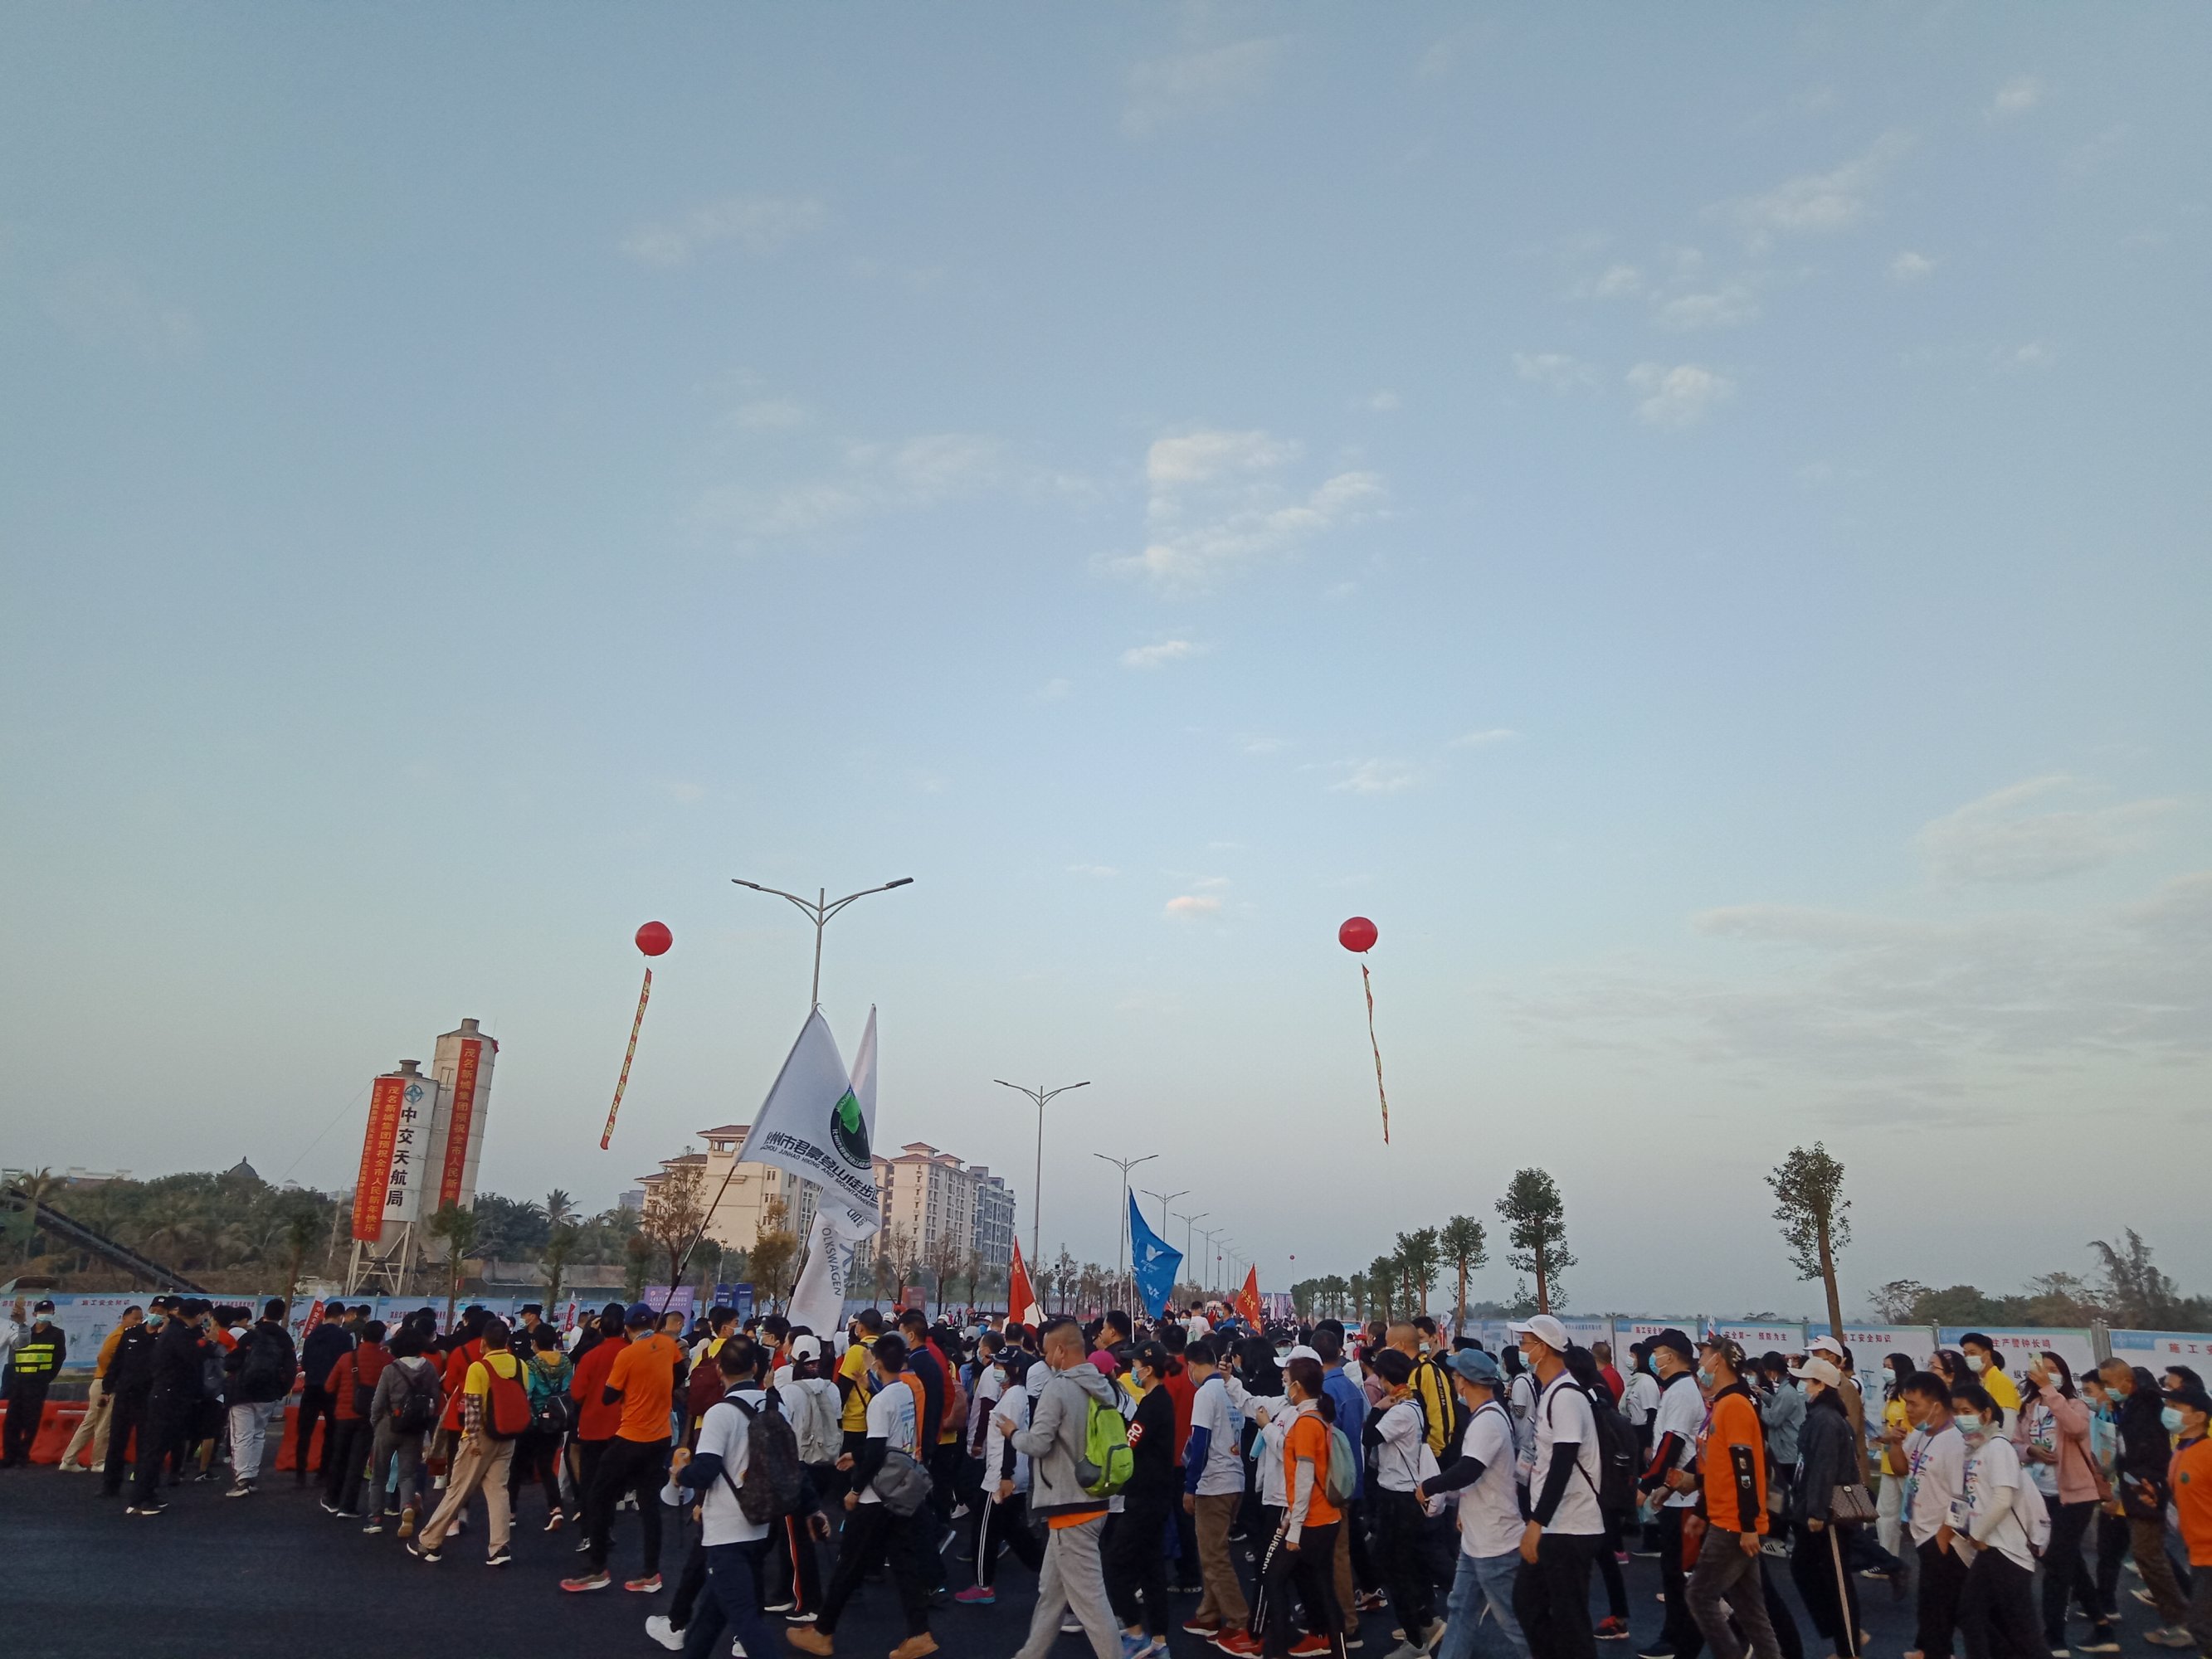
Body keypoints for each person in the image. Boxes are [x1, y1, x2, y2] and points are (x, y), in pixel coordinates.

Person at [788, 1331, 937, 1659]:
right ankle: (919, 1633)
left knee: (849, 1563)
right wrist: (857, 1455)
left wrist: (855, 1489)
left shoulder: (881, 1402)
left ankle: (823, 1632)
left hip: (875, 1495)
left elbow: (877, 1450)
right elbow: (889, 1442)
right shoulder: (904, 1391)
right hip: (898, 1490)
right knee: (903, 1563)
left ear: (879, 1363)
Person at [1001, 1316, 1126, 1659]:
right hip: (1094, 1498)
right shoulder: (1102, 1385)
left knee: (1091, 1603)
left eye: (1046, 1352)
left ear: (1059, 1350)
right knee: (1052, 1594)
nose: (1044, 1358)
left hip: (1068, 1505)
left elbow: (1038, 1443)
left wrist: (1012, 1433)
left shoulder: (1058, 1388)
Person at [657, 1339, 783, 1659]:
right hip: (763, 1520)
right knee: (712, 1615)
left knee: (745, 1619)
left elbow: (706, 1470)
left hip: (726, 1528)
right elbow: (790, 1464)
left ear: (718, 1370)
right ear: (755, 1367)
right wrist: (812, 1510)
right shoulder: (775, 1405)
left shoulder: (720, 1413)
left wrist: (679, 1474)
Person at [1420, 1346, 1532, 1659]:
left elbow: (1469, 1468)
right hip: (1479, 1538)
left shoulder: (1486, 1422)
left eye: (1455, 1375)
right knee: (1461, 1609)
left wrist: (1430, 1486)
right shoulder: (1490, 1415)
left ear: (1463, 1381)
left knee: (1513, 1621)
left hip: (1495, 1541)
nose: (1453, 1380)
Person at [564, 1301, 681, 1593]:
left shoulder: (627, 1355)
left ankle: (597, 1569)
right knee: (649, 1504)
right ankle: (651, 1573)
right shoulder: (668, 1346)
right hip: (660, 1435)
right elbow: (679, 1374)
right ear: (652, 1324)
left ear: (628, 1329)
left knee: (597, 1495)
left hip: (631, 1435)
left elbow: (609, 1396)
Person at [1682, 1335, 1782, 1659]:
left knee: (1699, 1596)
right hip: (1729, 1517)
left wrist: (1748, 1524)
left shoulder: (1735, 1405)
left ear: (1719, 1361)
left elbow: (1745, 1468)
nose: (1700, 1364)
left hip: (1733, 1522)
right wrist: (1702, 1510)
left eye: (1704, 1356)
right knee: (1750, 1607)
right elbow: (1719, 1468)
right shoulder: (1725, 1404)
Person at [1512, 1316, 1605, 1659]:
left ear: (1543, 1348)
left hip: (1570, 1527)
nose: (1521, 1349)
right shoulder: (1552, 1391)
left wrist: (1537, 1522)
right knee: (1529, 1605)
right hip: (1557, 1525)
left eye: (1525, 1343)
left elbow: (1563, 1462)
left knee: (1570, 1621)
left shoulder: (1565, 1396)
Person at [2010, 1350, 2113, 1656]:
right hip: (2041, 1495)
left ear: (2064, 1374)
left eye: (2054, 1369)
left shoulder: (2074, 1405)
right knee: (2068, 1561)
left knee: (2056, 1564)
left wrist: (2049, 1390)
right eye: (2042, 1369)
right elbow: (2015, 1443)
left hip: (2076, 1496)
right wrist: (2031, 1451)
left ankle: (2053, 1638)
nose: (2048, 1373)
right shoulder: (2028, 1407)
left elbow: (2077, 1429)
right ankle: (2102, 1626)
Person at [411, 1316, 526, 1565]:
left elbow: (473, 1408)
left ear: (484, 1342)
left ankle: (429, 1543)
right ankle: (500, 1547)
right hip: (507, 1436)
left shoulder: (479, 1368)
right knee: (498, 1491)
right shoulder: (520, 1365)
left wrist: (471, 1440)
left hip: (480, 1436)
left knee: (457, 1489)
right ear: (507, 1341)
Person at [2098, 1360, 2195, 1647]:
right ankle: (2182, 1620)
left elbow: (2146, 1457)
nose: (2106, 1389)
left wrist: (2136, 1490)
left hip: (2146, 1492)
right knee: (2150, 1556)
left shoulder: (2147, 1408)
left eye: (2108, 1383)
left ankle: (2182, 1623)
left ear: (2126, 1382)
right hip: (2137, 1490)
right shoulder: (2130, 1407)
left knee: (2149, 1556)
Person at [1258, 1355, 1346, 1659]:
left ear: (1297, 1386)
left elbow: (1305, 1477)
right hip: (1320, 1518)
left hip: (1311, 1521)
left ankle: (1280, 1648)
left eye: (1287, 1380)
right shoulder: (1317, 1417)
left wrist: (1293, 1526)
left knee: (1275, 1578)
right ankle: (1334, 1648)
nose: (1285, 1385)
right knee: (1321, 1585)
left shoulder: (1307, 1423)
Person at [1367, 1347, 1451, 1655]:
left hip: (1397, 1497)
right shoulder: (1413, 1404)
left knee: (1395, 1568)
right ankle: (1425, 1620)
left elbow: (1368, 1438)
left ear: (1386, 1379)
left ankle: (1415, 1640)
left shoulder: (1399, 1411)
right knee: (1409, 1563)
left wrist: (1377, 1409)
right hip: (1404, 1495)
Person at [1950, 1380, 2040, 1659]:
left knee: (2023, 1633)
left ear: (1986, 1413)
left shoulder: (1999, 1448)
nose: (1960, 1418)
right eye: (1956, 1412)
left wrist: (1977, 1534)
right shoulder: (1980, 1448)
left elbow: (2003, 1499)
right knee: (1970, 1614)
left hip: (2007, 1551)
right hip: (1992, 1549)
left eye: (1967, 1411)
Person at [1184, 1334, 1257, 1652]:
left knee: (1214, 1558)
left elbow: (1199, 1442)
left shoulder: (1205, 1394)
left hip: (1214, 1483)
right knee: (1213, 1551)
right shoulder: (1229, 1388)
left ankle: (1239, 1620)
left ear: (1191, 1365)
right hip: (1235, 1478)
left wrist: (1190, 1486)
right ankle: (1209, 1613)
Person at [1107, 1340, 1181, 1657]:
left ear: (1148, 1370)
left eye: (1135, 1365)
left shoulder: (1152, 1405)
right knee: (1152, 1569)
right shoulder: (1159, 1401)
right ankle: (1159, 1641)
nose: (1132, 1369)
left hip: (1144, 1499)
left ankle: (1135, 1630)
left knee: (1114, 1564)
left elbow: (1129, 1443)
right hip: (1157, 1497)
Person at [1786, 1358, 1863, 1658]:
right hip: (1816, 1506)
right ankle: (1842, 1632)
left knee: (1838, 1581)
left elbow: (1824, 1468)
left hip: (1830, 1511)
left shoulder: (1827, 1421)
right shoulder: (1821, 1417)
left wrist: (1817, 1511)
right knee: (1803, 1566)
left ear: (1820, 1385)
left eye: (1807, 1381)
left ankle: (1849, 1649)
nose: (1803, 1386)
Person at [1635, 1328, 1704, 1659]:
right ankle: (1675, 1634)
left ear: (1671, 1356)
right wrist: (1664, 1486)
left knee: (1682, 1574)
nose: (1653, 1358)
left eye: (1656, 1352)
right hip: (1677, 1494)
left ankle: (1683, 1640)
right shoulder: (1676, 1389)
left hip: (1688, 1500)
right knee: (1674, 1572)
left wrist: (1647, 1484)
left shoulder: (1682, 1392)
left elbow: (1672, 1444)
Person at [961, 1345, 1045, 1603]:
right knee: (1013, 1530)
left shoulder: (1012, 1398)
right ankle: (1048, 1571)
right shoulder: (1016, 1395)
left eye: (1000, 1366)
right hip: (1012, 1473)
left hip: (1000, 1477)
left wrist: (1005, 1476)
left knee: (984, 1531)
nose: (996, 1369)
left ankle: (983, 1585)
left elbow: (1010, 1437)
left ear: (1014, 1369)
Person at [1900, 1370, 1969, 1659]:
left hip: (1942, 1536)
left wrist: (1943, 1537)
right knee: (1931, 1600)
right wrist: (1894, 1441)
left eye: (1913, 1404)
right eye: (1906, 1403)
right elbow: (1901, 1465)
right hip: (1923, 1530)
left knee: (1945, 1603)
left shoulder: (1954, 1442)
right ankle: (1929, 1649)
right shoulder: (1922, 1433)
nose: (1908, 1410)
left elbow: (1961, 1497)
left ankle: (1939, 1651)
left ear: (1936, 1405)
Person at [129, 1297, 208, 1514]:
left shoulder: (178, 1331)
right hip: (167, 1396)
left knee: (159, 1447)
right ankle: (140, 1500)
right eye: (202, 1315)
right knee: (155, 1449)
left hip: (171, 1395)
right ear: (197, 1315)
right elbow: (194, 1356)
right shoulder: (176, 1334)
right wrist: (209, 1343)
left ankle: (148, 1494)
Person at [368, 1325, 441, 1536]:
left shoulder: (391, 1369)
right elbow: (436, 1399)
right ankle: (407, 1507)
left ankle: (375, 1519)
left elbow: (378, 1402)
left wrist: (376, 1423)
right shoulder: (429, 1368)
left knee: (379, 1475)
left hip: (388, 1425)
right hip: (415, 1428)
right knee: (408, 1475)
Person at [221, 1297, 296, 1496]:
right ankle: (251, 1476)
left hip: (243, 1391)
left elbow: (231, 1362)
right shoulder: (285, 1338)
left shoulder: (251, 1335)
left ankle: (242, 1479)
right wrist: (281, 1390)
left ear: (264, 1313)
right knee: (258, 1433)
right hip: (268, 1393)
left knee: (241, 1435)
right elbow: (290, 1368)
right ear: (282, 1315)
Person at [322, 1316, 390, 1518]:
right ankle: (348, 1506)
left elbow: (329, 1386)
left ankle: (331, 1498)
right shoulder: (388, 1361)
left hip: (344, 1414)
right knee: (358, 1461)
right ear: (382, 1338)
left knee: (339, 1457)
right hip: (370, 1416)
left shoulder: (347, 1358)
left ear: (362, 1337)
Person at [2164, 1383, 2212, 1659]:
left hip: (2209, 1551)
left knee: (2200, 1624)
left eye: (2176, 1407)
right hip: (2194, 1549)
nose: (2168, 1412)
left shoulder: (2207, 1452)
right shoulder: (2181, 1449)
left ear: (2199, 1416)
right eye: (2168, 1406)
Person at [61, 1304, 138, 1472]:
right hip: (105, 1383)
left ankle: (69, 1459)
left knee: (90, 1423)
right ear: (124, 1318)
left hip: (102, 1381)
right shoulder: (119, 1336)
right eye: (135, 1318)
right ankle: (98, 1461)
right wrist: (110, 1375)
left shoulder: (125, 1335)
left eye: (140, 1319)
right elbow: (103, 1357)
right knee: (104, 1423)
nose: (138, 1322)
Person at [100, 1301, 162, 1496]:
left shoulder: (165, 1337)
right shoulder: (131, 1334)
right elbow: (116, 1364)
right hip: (125, 1394)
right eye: (153, 1311)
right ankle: (110, 1485)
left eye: (160, 1312)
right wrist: (106, 1389)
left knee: (145, 1443)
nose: (155, 1315)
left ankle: (142, 1486)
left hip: (149, 1396)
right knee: (116, 1441)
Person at [1, 1297, 66, 1467]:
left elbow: (58, 1359)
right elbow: (13, 1357)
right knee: (12, 1420)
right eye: (42, 1312)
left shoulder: (56, 1334)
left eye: (48, 1311)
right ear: (35, 1314)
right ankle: (9, 1456)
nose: (45, 1314)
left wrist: (44, 1378)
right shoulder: (25, 1332)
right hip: (19, 1382)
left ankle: (22, 1456)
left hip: (37, 1383)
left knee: (30, 1421)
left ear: (53, 1313)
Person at [295, 1301, 354, 1486]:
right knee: (331, 1431)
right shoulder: (344, 1337)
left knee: (304, 1431)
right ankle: (323, 1472)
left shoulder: (312, 1335)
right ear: (341, 1317)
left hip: (311, 1386)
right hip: (333, 1389)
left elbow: (305, 1363)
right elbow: (347, 1363)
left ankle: (300, 1474)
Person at [1871, 1355, 1917, 1570]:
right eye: (1884, 1366)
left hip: (1906, 1461)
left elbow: (1913, 1430)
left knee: (1916, 1514)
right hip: (1889, 1460)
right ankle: (1887, 1562)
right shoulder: (1892, 1394)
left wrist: (1889, 1437)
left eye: (1889, 1366)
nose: (1885, 1370)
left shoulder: (1910, 1397)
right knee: (1885, 1514)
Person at [1957, 1336, 2021, 1431]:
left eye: (1972, 1353)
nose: (1968, 1358)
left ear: (1987, 1354)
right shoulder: (1982, 1381)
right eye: (1965, 1354)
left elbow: (2007, 1422)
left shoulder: (2000, 1381)